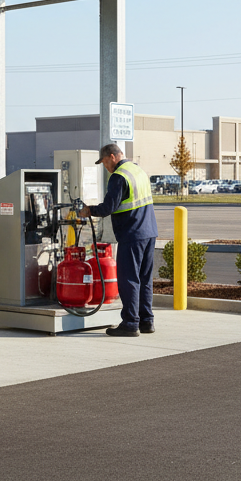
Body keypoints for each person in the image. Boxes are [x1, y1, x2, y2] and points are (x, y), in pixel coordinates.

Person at [79, 143, 157, 337]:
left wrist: (89, 210)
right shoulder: (137, 170)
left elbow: (108, 207)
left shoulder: (119, 176)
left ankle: (130, 323)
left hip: (132, 234)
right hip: (149, 231)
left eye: (105, 162)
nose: (105, 167)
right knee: (144, 279)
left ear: (112, 157)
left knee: (128, 278)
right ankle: (146, 321)